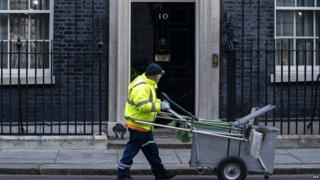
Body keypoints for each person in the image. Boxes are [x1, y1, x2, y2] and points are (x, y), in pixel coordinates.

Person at [117, 63, 177, 180]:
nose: (160, 77)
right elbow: (143, 106)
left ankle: (160, 174)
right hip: (138, 124)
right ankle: (122, 173)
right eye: (160, 74)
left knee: (151, 150)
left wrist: (160, 104)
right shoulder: (142, 87)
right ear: (154, 75)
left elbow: (150, 101)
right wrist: (160, 106)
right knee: (131, 150)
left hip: (144, 125)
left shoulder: (148, 84)